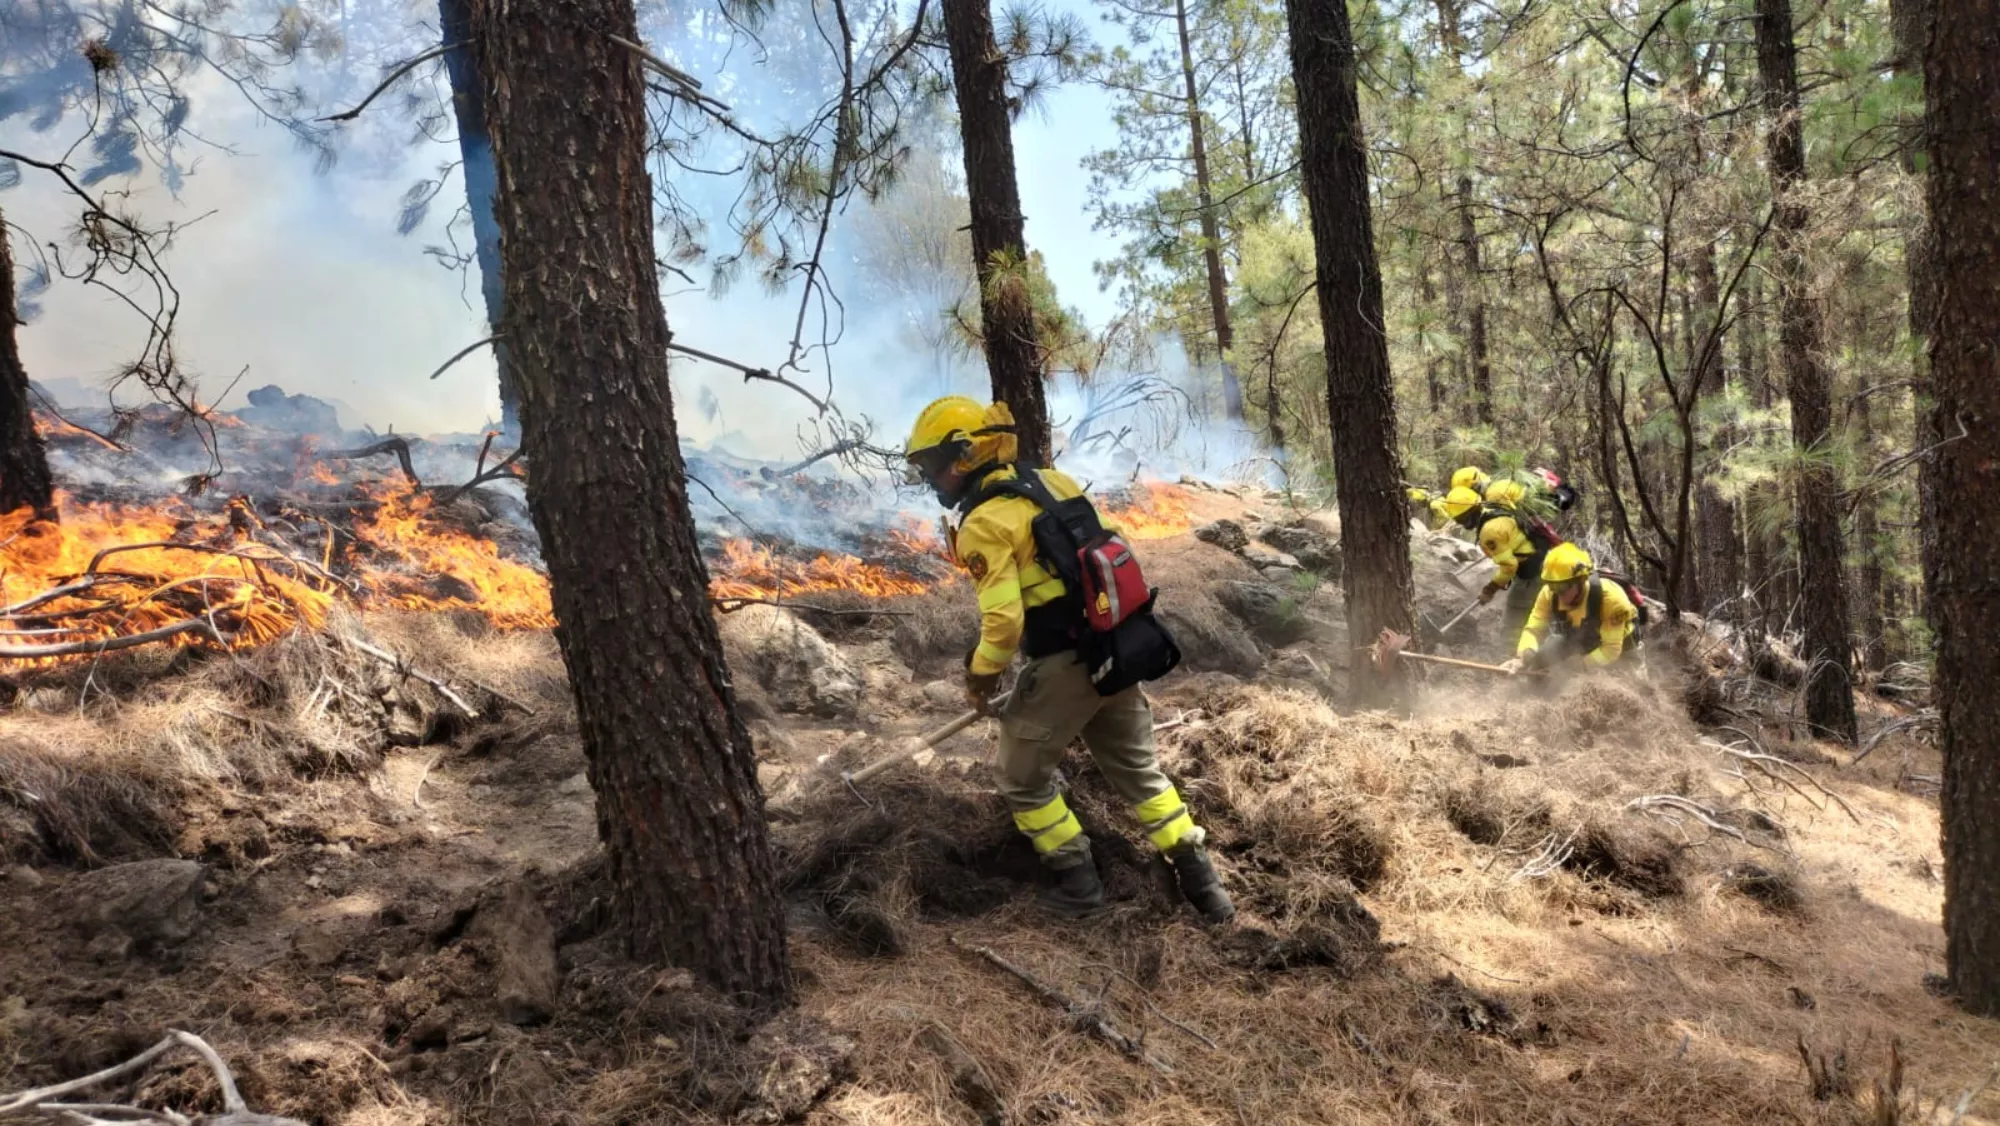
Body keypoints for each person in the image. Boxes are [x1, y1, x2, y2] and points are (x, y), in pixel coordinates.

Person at [903, 395, 1235, 923]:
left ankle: (1077, 883)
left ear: (963, 456)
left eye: (929, 467)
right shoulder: (1053, 483)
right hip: (1115, 650)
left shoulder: (984, 522)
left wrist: (980, 681)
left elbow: (1004, 624)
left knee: (1020, 778)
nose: (929, 480)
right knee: (1139, 771)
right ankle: (1205, 886)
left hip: (1063, 664)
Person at [1436, 485, 1561, 646]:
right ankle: (1546, 651)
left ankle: (1513, 659)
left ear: (1466, 517)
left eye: (1460, 520)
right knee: (1543, 614)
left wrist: (1490, 589)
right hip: (1545, 563)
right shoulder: (1493, 508)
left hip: (1532, 574)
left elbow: (1509, 566)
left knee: (1513, 623)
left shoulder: (1490, 531)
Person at [1502, 543, 1640, 672]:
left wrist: (1578, 667)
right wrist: (1523, 657)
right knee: (1541, 659)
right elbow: (1533, 629)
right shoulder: (1549, 593)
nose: (1557, 593)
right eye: (1552, 586)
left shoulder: (1612, 600)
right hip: (1579, 641)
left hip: (1621, 648)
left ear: (1580, 581)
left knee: (1632, 688)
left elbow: (1611, 650)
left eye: (1562, 588)